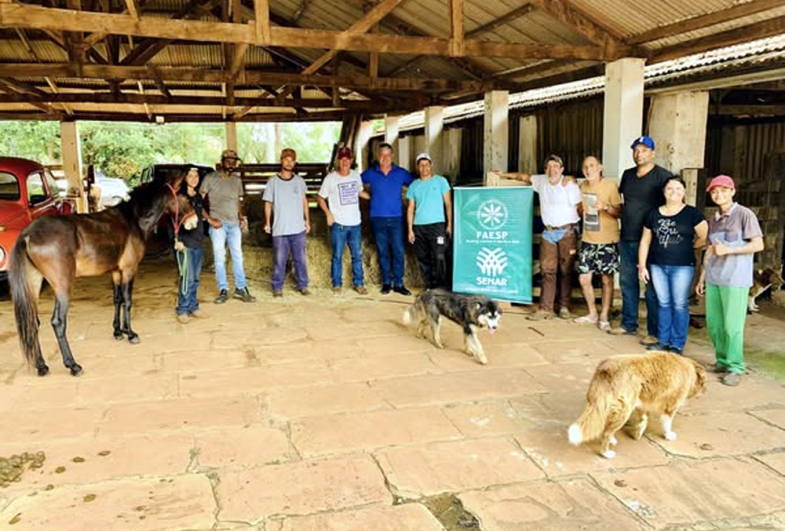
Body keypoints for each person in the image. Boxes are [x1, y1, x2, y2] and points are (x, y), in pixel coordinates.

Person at [697, 175, 764, 386]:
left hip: (735, 279)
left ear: (732, 191)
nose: (719, 195)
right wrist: (702, 277)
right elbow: (710, 249)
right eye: (715, 192)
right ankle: (722, 361)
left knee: (732, 326)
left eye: (723, 190)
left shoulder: (745, 214)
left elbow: (758, 245)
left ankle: (735, 366)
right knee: (715, 324)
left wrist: (731, 250)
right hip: (715, 277)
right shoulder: (714, 219)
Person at [497, 155, 581, 320]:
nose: (552, 170)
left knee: (566, 270)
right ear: (545, 170)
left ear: (562, 169)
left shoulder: (569, 184)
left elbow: (580, 208)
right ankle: (546, 308)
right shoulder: (541, 181)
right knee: (547, 270)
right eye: (549, 166)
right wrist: (503, 174)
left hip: (567, 231)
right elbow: (524, 177)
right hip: (548, 232)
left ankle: (564, 306)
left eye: (556, 166)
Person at [610, 135, 672, 344]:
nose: (639, 154)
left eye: (644, 150)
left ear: (653, 153)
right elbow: (624, 205)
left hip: (651, 240)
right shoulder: (627, 175)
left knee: (652, 288)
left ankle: (653, 332)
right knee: (628, 282)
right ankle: (629, 324)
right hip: (627, 236)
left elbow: (671, 207)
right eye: (636, 150)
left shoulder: (663, 177)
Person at [638, 177, 708, 355]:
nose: (674, 192)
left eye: (678, 189)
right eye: (670, 189)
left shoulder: (692, 213)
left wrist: (690, 246)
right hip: (657, 265)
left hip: (682, 266)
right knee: (663, 303)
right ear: (664, 191)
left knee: (679, 304)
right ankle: (663, 341)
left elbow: (704, 236)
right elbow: (645, 241)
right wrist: (642, 266)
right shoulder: (653, 214)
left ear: (684, 192)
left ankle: (677, 344)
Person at [199, 148, 256, 304]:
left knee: (238, 256)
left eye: (234, 161)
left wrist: (241, 216)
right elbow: (197, 202)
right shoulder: (210, 178)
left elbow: (237, 200)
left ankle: (241, 288)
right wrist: (209, 220)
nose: (231, 163)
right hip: (218, 225)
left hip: (234, 225)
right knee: (219, 258)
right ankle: (223, 289)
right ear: (222, 161)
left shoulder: (236, 180)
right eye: (228, 160)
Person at [573, 156, 622, 331]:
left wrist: (606, 207)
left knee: (606, 279)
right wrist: (579, 209)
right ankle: (592, 312)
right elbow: (579, 210)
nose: (588, 169)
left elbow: (620, 211)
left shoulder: (610, 186)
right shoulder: (582, 186)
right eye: (585, 166)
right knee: (584, 278)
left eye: (592, 165)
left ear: (600, 167)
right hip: (588, 239)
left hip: (607, 239)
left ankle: (604, 316)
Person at [361, 142, 414, 295]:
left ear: (392, 156)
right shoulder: (370, 173)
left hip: (396, 218)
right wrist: (365, 195)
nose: (385, 158)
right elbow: (353, 183)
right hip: (377, 218)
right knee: (383, 251)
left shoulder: (401, 173)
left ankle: (398, 283)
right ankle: (386, 282)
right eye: (382, 155)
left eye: (388, 155)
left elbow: (417, 185)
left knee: (398, 250)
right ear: (378, 156)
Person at [317, 147, 369, 295]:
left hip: (355, 224)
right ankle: (337, 283)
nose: (345, 161)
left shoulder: (355, 176)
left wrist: (375, 198)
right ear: (338, 161)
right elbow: (320, 197)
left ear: (351, 161)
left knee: (357, 255)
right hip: (339, 224)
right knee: (337, 256)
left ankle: (359, 283)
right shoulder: (331, 178)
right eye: (342, 159)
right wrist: (328, 214)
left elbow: (359, 192)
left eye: (348, 159)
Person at [264, 148, 311, 297]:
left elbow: (305, 202)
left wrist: (307, 221)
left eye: (292, 160)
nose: (289, 163)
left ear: (295, 163)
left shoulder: (299, 181)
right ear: (281, 161)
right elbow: (268, 203)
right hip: (280, 229)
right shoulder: (273, 182)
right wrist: (267, 223)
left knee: (300, 260)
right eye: (286, 159)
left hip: (298, 228)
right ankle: (277, 287)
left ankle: (302, 285)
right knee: (279, 260)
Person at [406, 153, 453, 290]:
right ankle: (428, 286)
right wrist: (410, 229)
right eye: (421, 165)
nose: (424, 167)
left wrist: (449, 224)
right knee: (423, 257)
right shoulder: (414, 185)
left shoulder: (441, 181)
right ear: (417, 167)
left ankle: (441, 286)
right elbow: (410, 208)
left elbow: (448, 204)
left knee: (439, 255)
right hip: (419, 226)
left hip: (437, 225)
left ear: (431, 165)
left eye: (426, 164)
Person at [173, 168, 209, 323]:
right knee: (187, 278)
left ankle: (193, 306)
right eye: (190, 176)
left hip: (198, 242)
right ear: (185, 178)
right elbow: (172, 222)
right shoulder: (179, 198)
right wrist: (177, 240)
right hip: (185, 243)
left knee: (195, 279)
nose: (194, 179)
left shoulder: (199, 198)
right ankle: (182, 309)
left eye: (196, 176)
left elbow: (201, 218)